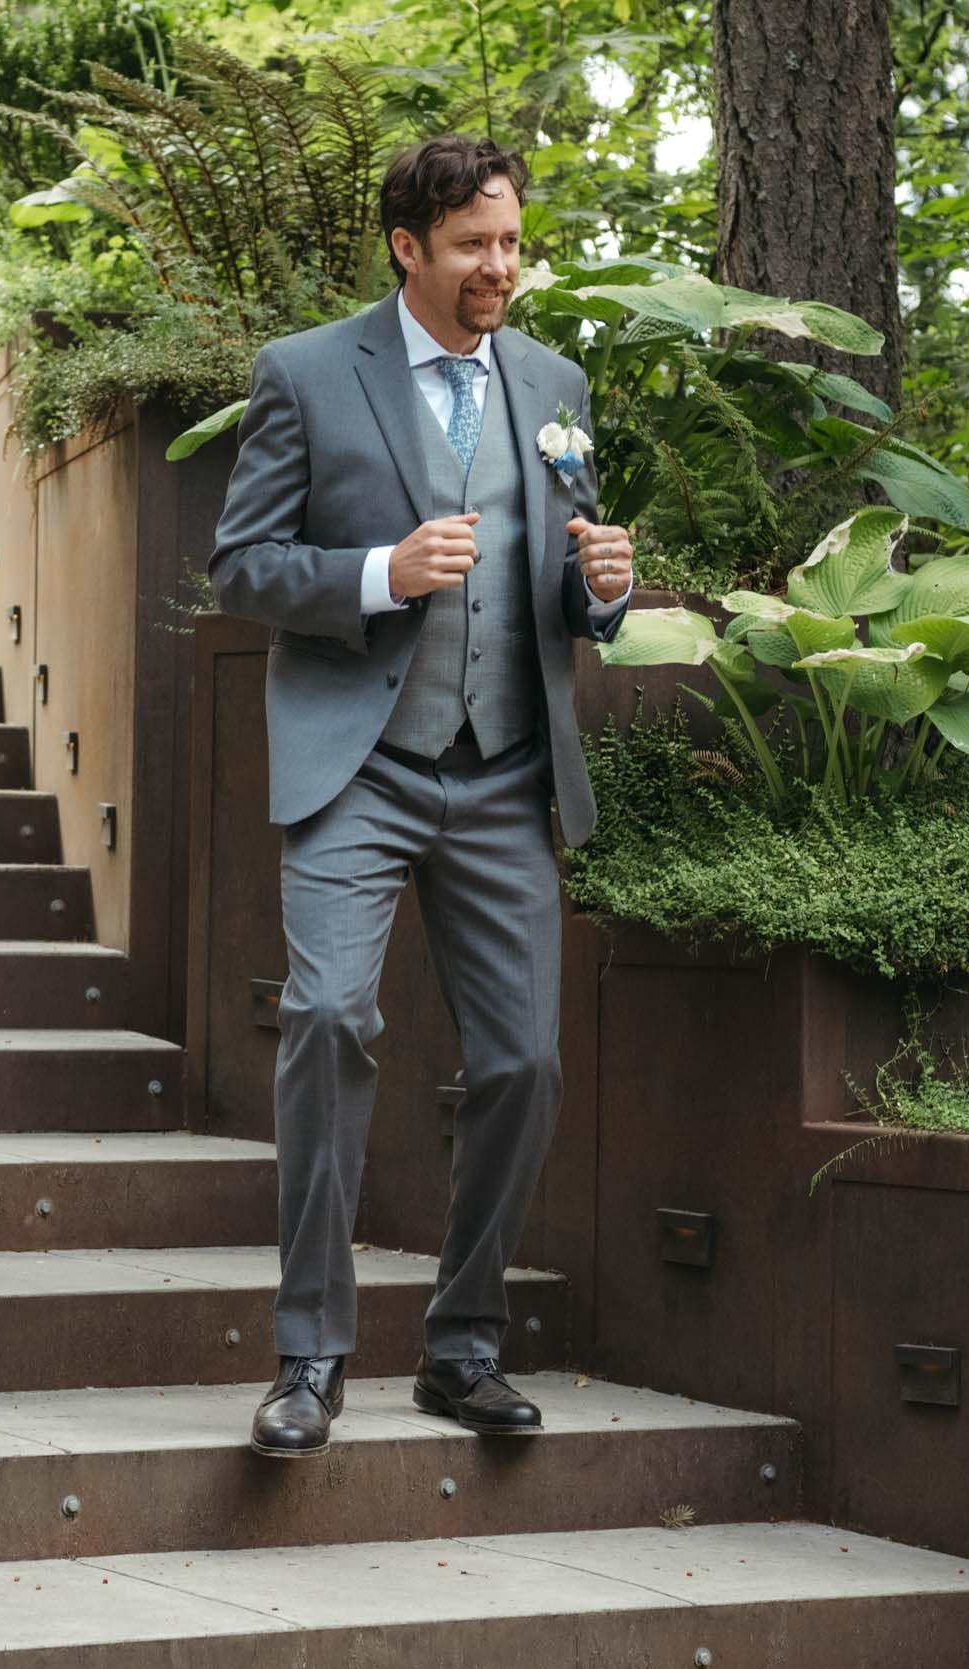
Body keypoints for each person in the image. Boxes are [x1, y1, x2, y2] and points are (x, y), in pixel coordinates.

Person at [208, 137, 638, 1457]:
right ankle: (310, 1356)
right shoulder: (305, 374)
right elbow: (242, 566)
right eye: (471, 247)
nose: (497, 267)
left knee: (524, 1062)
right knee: (331, 1014)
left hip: (506, 774)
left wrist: (605, 586)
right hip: (363, 766)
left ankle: (461, 1347)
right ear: (408, 247)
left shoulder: (555, 383)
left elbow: (565, 583)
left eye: (510, 243)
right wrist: (380, 573)